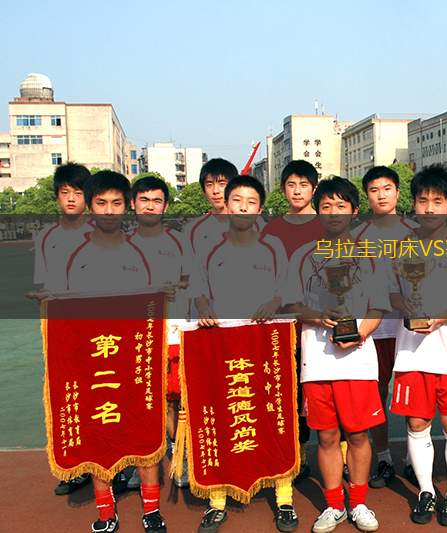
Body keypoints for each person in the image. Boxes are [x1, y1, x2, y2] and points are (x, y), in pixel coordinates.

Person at [64, 171, 166, 533]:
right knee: (99, 437)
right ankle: (106, 513)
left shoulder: (143, 250)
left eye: (116, 203)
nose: (109, 210)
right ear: (91, 207)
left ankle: (151, 510)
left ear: (127, 207)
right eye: (101, 203)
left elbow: (155, 303)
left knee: (144, 434)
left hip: (134, 360)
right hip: (94, 361)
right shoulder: (75, 254)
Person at [284, 177, 388, 533]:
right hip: (317, 362)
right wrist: (316, 317)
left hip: (357, 362)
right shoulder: (302, 255)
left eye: (341, 206)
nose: (333, 213)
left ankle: (358, 502)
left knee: (358, 435)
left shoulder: (370, 255)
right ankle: (333, 505)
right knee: (326, 437)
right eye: (326, 206)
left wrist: (360, 333)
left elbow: (378, 307)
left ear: (354, 211)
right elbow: (293, 304)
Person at [193, 176, 292, 532]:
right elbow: (197, 288)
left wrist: (274, 301)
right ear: (227, 203)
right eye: (237, 200)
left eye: (251, 202)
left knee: (272, 412)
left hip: (264, 342)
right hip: (221, 343)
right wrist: (203, 306)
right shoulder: (209, 246)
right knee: (223, 413)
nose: (244, 207)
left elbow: (285, 288)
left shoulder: (273, 245)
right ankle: (217, 500)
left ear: (260, 208)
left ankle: (284, 497)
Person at [390, 165, 447, 527]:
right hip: (412, 352)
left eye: (437, 201)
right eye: (422, 200)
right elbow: (392, 293)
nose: (429, 208)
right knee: (417, 423)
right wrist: (405, 307)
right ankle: (426, 490)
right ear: (414, 204)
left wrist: (441, 318)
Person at [30, 162, 94, 495]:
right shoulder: (46, 237)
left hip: (100, 329)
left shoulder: (103, 233)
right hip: (63, 331)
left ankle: (118, 466)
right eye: (65, 192)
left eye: (78, 193)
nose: (70, 199)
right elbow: (44, 284)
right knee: (70, 398)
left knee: (106, 395)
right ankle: (76, 467)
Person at [126, 176, 194, 491]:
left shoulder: (180, 242)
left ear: (165, 206)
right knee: (138, 404)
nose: (150, 206)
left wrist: (178, 286)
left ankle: (179, 457)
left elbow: (195, 282)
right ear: (133, 204)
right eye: (144, 200)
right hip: (135, 339)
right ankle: (142, 461)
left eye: (156, 201)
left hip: (172, 334)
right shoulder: (120, 244)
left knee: (173, 401)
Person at [260, 160, 325, 481]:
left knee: (323, 391)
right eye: (291, 185)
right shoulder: (271, 229)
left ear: (314, 188)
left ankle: (338, 456)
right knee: (288, 393)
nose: (297, 191)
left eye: (303, 185)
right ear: (283, 188)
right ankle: (295, 456)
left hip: (322, 326)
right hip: (283, 327)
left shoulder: (328, 224)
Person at [353, 166, 416, 489]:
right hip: (373, 331)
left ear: (397, 192)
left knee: (412, 396)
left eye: (387, 188)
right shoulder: (357, 237)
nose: (381, 195)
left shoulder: (416, 232)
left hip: (409, 329)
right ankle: (384, 458)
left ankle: (413, 459)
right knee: (376, 395)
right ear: (367, 196)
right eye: (374, 190)